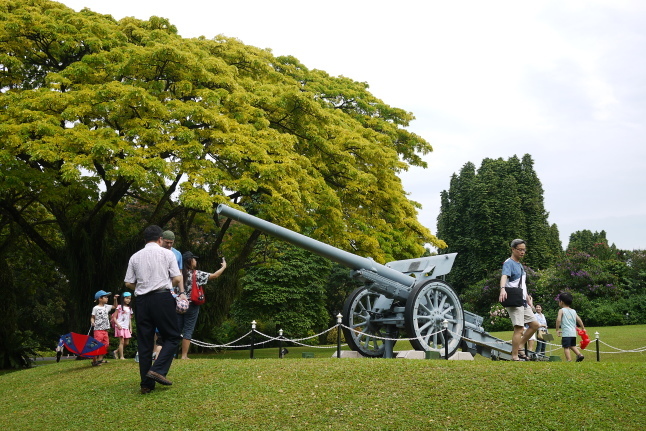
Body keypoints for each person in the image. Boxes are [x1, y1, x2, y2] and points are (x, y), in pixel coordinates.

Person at [124, 225, 188, 394]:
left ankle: (146, 384)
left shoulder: (135, 257)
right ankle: (158, 370)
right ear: (160, 239)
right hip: (162, 298)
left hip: (142, 301)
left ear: (144, 240)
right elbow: (177, 278)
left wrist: (144, 285)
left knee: (145, 342)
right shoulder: (167, 254)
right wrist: (166, 284)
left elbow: (128, 283)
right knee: (173, 336)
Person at [177, 251, 227, 359]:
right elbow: (214, 275)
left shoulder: (178, 274)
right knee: (188, 329)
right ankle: (184, 355)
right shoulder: (196, 274)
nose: (196, 261)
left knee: (176, 329)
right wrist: (224, 267)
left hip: (178, 305)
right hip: (192, 305)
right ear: (189, 261)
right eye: (194, 259)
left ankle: (171, 354)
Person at [498, 239, 539, 361]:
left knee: (535, 325)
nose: (522, 252)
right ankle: (515, 356)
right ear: (513, 249)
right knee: (519, 328)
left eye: (524, 250)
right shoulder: (509, 263)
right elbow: (504, 276)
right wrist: (502, 289)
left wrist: (528, 299)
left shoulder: (520, 265)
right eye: (520, 249)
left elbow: (522, 285)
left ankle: (519, 346)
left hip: (523, 300)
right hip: (514, 300)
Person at [555, 292, 586, 362]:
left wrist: (557, 329)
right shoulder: (573, 311)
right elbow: (579, 319)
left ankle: (569, 360)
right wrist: (583, 327)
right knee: (572, 345)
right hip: (573, 332)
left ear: (561, 302)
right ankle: (580, 355)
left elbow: (558, 319)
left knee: (566, 347)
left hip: (566, 332)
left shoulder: (561, 310)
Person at [91, 290, 113, 366]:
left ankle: (100, 359)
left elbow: (115, 307)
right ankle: (94, 361)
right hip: (98, 330)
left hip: (105, 330)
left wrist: (116, 299)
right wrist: (92, 322)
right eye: (105, 297)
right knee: (97, 345)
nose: (107, 298)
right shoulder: (95, 308)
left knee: (105, 345)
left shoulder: (106, 307)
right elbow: (92, 317)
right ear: (100, 299)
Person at [111, 292, 134, 360]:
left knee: (126, 343)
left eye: (129, 299)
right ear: (123, 298)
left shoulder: (130, 308)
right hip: (120, 326)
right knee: (122, 341)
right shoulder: (119, 307)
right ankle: (121, 356)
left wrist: (130, 328)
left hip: (126, 327)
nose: (128, 300)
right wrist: (118, 325)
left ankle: (115, 351)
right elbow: (114, 317)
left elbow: (129, 319)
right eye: (127, 298)